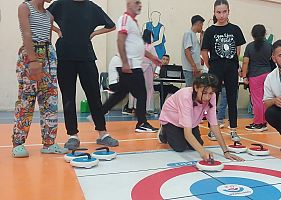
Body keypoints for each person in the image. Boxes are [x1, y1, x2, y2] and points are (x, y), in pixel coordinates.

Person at [47, 0, 118, 150]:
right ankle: (73, 135)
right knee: (68, 97)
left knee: (94, 95)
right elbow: (44, 16)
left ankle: (102, 133)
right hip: (65, 56)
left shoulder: (92, 8)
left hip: (86, 56)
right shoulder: (61, 4)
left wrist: (94, 33)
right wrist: (57, 31)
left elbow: (111, 25)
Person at [12, 0, 68, 157]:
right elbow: (26, 34)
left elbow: (48, 39)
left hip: (48, 55)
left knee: (50, 100)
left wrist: (47, 59)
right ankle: (18, 143)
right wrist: (33, 59)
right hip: (31, 55)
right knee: (26, 100)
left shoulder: (49, 15)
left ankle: (49, 143)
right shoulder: (25, 7)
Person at [101, 0, 160, 133]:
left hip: (133, 64)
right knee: (141, 94)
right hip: (130, 65)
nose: (140, 5)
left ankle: (98, 114)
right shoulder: (125, 19)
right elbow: (120, 40)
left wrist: (152, 57)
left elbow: (136, 46)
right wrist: (125, 62)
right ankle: (142, 123)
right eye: (136, 2)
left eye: (140, 3)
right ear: (128, 4)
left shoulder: (133, 22)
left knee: (121, 93)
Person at [157, 73, 244, 161]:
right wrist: (203, 153)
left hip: (190, 122)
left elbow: (214, 125)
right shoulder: (185, 96)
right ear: (196, 88)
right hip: (172, 120)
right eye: (204, 93)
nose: (207, 97)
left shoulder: (212, 97)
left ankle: (179, 134)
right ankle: (164, 131)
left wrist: (226, 152)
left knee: (196, 145)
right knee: (180, 147)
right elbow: (188, 134)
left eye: (211, 93)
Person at [201, 0, 246, 142]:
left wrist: (234, 62)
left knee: (233, 98)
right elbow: (204, 51)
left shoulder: (235, 29)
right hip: (215, 67)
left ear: (228, 11)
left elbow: (238, 49)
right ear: (214, 13)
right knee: (212, 98)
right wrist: (210, 65)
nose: (221, 15)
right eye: (218, 12)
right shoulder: (210, 31)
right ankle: (212, 130)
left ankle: (233, 129)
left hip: (231, 67)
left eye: (224, 12)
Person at [241, 24, 273, 132]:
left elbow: (245, 62)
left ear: (252, 34)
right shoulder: (269, 46)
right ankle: (264, 122)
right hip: (268, 74)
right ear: (265, 34)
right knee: (264, 99)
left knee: (256, 100)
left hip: (255, 75)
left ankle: (258, 123)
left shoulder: (250, 47)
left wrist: (244, 76)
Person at [181, 15, 205, 86]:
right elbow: (187, 51)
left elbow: (195, 51)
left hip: (195, 68)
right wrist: (194, 66)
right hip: (190, 69)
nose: (202, 27)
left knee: (195, 89)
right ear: (198, 23)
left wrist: (202, 38)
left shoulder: (194, 35)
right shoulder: (188, 34)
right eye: (201, 25)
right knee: (190, 90)